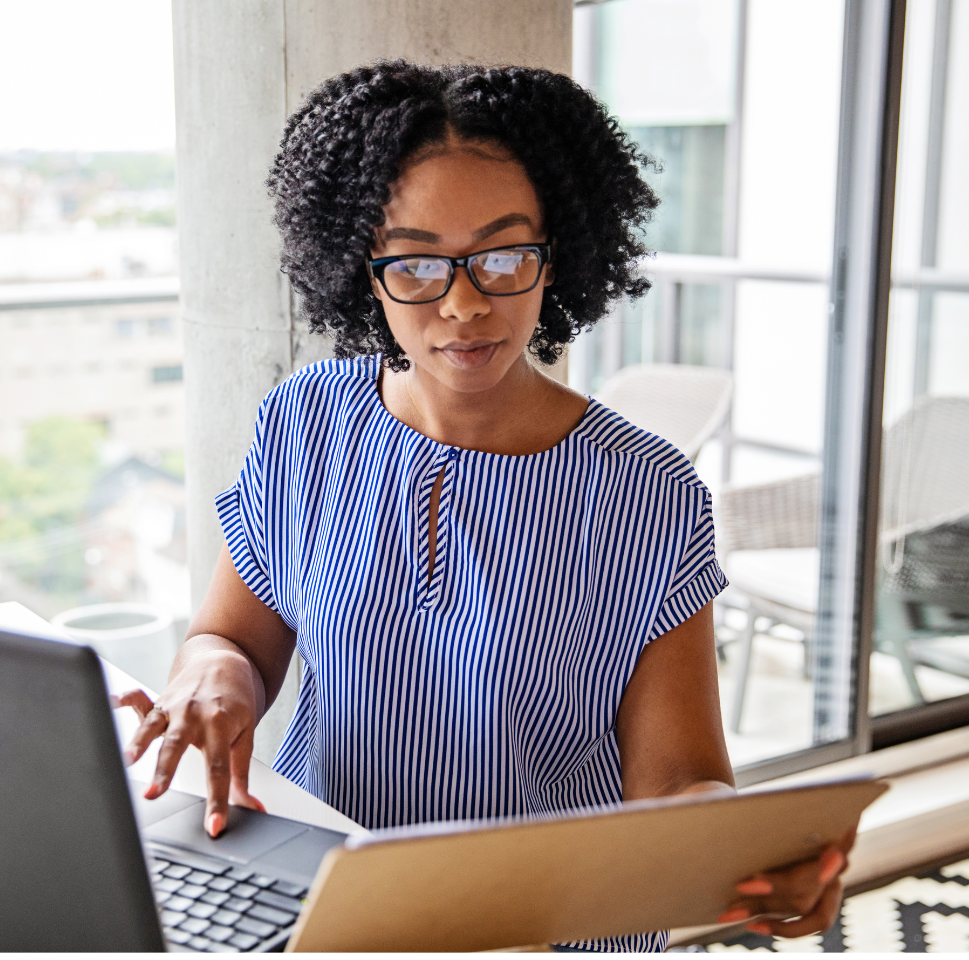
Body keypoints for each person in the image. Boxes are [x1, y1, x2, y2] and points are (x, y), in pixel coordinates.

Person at [114, 61, 852, 951]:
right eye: (417, 263)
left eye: (503, 257)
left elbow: (676, 784)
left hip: (544, 930)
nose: (464, 305)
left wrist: (748, 851)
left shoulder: (647, 492)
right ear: (363, 270)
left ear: (556, 255)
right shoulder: (305, 422)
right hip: (328, 905)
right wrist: (213, 671)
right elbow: (231, 639)